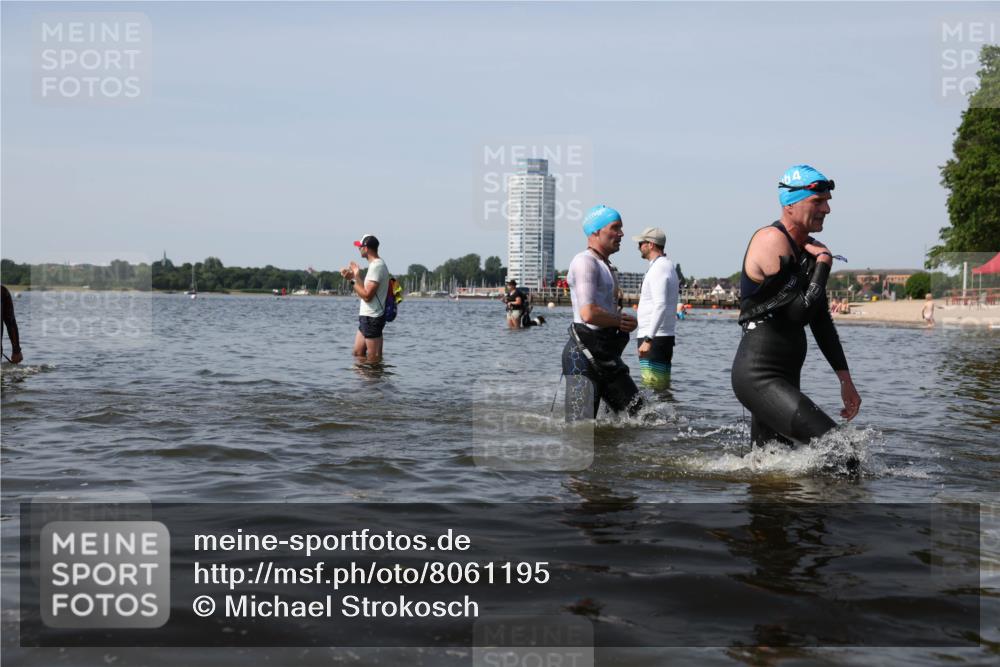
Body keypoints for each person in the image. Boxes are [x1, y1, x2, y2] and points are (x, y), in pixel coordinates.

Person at [731, 165, 861, 448]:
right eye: (818, 201)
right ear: (790, 204)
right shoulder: (771, 240)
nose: (826, 209)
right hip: (759, 376)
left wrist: (845, 380)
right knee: (841, 451)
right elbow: (798, 312)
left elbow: (820, 320)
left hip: (784, 376)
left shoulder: (808, 249)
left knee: (771, 465)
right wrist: (824, 263)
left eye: (827, 201)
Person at [562, 205, 642, 421]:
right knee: (580, 429)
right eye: (615, 228)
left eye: (621, 228)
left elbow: (606, 310)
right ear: (595, 231)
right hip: (583, 354)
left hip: (605, 353)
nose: (621, 234)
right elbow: (587, 313)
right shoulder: (584, 262)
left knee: (639, 415)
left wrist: (620, 322)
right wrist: (620, 321)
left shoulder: (605, 265)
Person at [633, 227, 679, 391]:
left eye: (641, 243)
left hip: (655, 337)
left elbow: (660, 304)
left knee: (652, 386)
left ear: (651, 244)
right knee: (660, 388)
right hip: (660, 336)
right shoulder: (665, 266)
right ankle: (666, 416)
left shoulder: (659, 268)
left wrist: (648, 339)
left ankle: (658, 417)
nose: (638, 247)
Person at [341, 234, 389, 363]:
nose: (358, 249)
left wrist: (351, 281)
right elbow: (364, 290)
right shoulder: (374, 265)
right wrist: (356, 276)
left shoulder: (376, 266)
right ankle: (365, 383)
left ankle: (374, 382)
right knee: (358, 353)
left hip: (372, 317)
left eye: (360, 247)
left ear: (366, 248)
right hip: (367, 317)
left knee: (374, 359)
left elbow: (367, 296)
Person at [1, 285, 23, 364]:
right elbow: (11, 323)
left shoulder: (3, 292)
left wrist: (16, 350)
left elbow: (11, 323)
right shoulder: (3, 291)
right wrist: (16, 351)